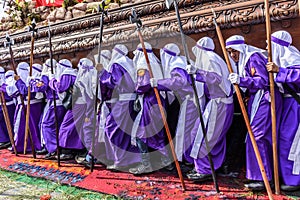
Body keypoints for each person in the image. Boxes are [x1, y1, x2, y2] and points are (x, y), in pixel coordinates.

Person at [226, 35, 282, 191]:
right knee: (256, 137)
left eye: (234, 51)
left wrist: (241, 80)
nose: (233, 56)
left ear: (241, 49)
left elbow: (263, 81)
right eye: (230, 52)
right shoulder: (245, 60)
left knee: (258, 136)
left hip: (265, 99)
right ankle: (260, 175)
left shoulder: (253, 57)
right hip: (257, 99)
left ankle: (264, 178)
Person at [186, 37, 234, 181]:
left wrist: (197, 72)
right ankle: (213, 165)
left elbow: (216, 78)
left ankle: (204, 169)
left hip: (219, 103)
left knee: (204, 136)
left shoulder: (210, 59)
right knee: (214, 137)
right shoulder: (214, 58)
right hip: (219, 103)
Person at [150, 43, 198, 166]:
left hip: (190, 100)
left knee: (184, 130)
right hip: (189, 99)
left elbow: (179, 81)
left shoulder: (176, 64)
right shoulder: (181, 61)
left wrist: (158, 83)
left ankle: (187, 160)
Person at [129, 42, 171, 175]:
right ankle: (166, 161)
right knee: (156, 133)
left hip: (150, 101)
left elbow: (143, 85)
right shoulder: (155, 62)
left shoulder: (142, 64)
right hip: (158, 101)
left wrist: (135, 87)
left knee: (141, 134)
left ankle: (146, 164)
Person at [266, 30, 300, 191]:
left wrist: (280, 71)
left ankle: (294, 180)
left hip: (296, 104)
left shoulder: (292, 58)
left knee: (291, 141)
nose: (267, 48)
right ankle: (284, 176)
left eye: (269, 45)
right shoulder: (279, 60)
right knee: (281, 139)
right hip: (286, 104)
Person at [100, 44, 141, 171]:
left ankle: (121, 161)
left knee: (113, 129)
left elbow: (114, 81)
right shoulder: (130, 62)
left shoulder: (117, 64)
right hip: (133, 100)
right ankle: (131, 159)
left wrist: (103, 75)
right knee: (127, 131)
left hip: (123, 101)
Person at [49, 59, 85, 160]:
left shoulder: (66, 74)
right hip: (80, 104)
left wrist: (52, 81)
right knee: (74, 128)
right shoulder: (74, 73)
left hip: (77, 105)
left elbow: (61, 87)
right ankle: (74, 150)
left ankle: (67, 151)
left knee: (66, 127)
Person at [35, 59, 67, 159]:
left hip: (55, 103)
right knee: (54, 125)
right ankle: (50, 146)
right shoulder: (58, 73)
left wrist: (33, 82)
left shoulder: (48, 74)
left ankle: (53, 149)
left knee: (47, 125)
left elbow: (41, 87)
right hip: (60, 103)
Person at [13, 62, 44, 153]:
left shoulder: (33, 79)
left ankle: (23, 146)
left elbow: (25, 91)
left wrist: (18, 81)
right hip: (33, 105)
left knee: (26, 126)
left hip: (29, 105)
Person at [0, 67, 16, 149]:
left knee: (9, 122)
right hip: (1, 104)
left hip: (8, 105)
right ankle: (3, 139)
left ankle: (9, 139)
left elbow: (10, 92)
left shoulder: (8, 82)